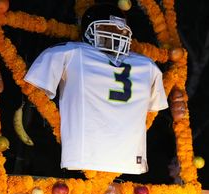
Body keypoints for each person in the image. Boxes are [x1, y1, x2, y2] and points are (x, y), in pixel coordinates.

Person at [24, 3, 167, 174]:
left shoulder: (70, 52)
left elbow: (36, 87)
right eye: (107, 28)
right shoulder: (146, 65)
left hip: (98, 157)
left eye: (120, 31)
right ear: (88, 30)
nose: (114, 35)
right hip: (110, 158)